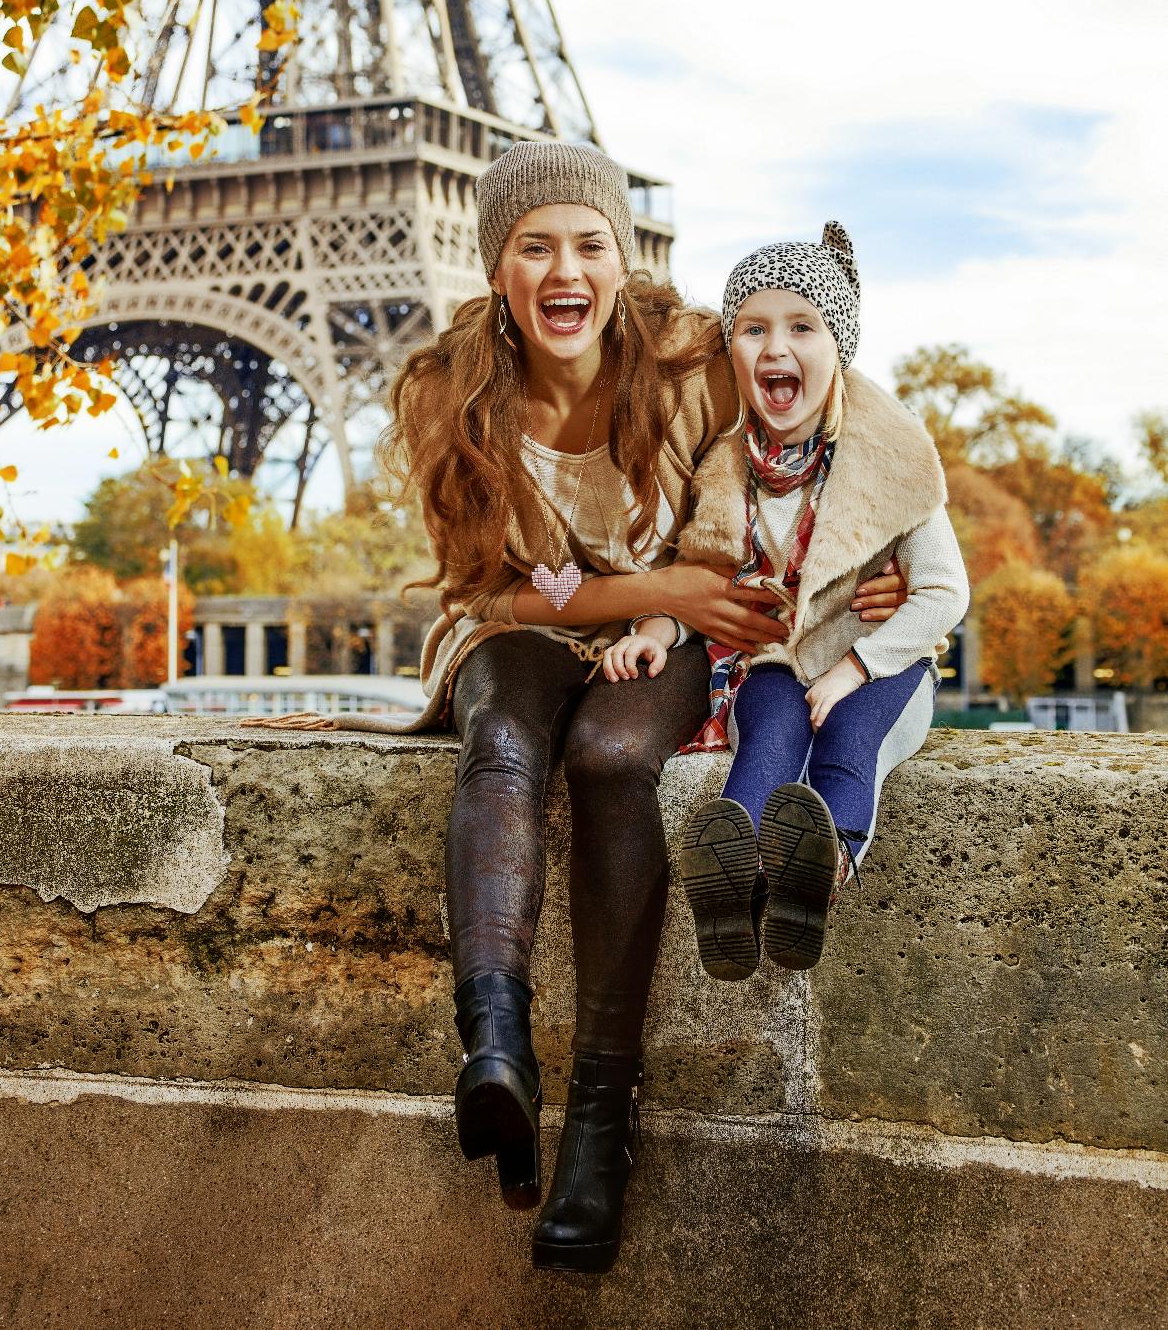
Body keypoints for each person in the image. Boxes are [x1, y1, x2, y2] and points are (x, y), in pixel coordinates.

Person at [381, 149, 908, 1274]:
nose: (563, 268)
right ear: (495, 267)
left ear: (623, 257)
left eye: (588, 242)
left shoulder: (686, 362)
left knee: (616, 758)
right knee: (504, 736)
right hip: (522, 615)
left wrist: (877, 562)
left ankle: (599, 1122)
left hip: (672, 635)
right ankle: (497, 1045)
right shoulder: (450, 389)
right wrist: (652, 585)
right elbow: (493, 580)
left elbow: (825, 420)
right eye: (534, 246)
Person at [606, 222, 968, 981]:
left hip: (885, 667)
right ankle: (731, 885)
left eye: (802, 327)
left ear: (839, 345)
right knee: (765, 738)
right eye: (753, 328)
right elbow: (703, 577)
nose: (776, 347)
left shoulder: (891, 457)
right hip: (777, 658)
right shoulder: (725, 469)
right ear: (730, 350)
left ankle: (821, 866)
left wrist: (856, 667)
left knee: (847, 741)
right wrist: (654, 628)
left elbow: (943, 593)